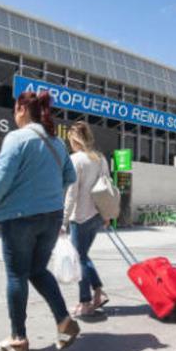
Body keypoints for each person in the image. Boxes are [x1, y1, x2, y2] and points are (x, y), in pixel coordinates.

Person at [0, 91, 80, 351]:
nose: (14, 116)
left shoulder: (17, 138)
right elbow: (69, 176)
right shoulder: (57, 143)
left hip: (20, 218)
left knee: (16, 274)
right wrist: (48, 196)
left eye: (16, 110)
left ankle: (19, 336)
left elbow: (2, 177)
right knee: (37, 270)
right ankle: (63, 320)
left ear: (23, 110)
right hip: (51, 216)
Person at [63, 121, 110, 318]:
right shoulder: (100, 158)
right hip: (97, 216)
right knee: (83, 255)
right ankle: (98, 292)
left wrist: (63, 220)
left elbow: (71, 194)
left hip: (80, 217)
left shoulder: (76, 160)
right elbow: (108, 187)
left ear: (75, 140)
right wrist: (106, 215)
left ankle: (85, 302)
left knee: (78, 258)